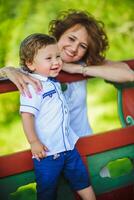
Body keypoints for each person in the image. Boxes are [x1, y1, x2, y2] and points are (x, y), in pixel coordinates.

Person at [0, 10, 134, 137]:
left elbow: (128, 74)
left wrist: (79, 69)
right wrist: (8, 70)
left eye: (83, 46)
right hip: (53, 149)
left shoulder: (82, 63)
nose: (74, 48)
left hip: (86, 141)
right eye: (71, 38)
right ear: (58, 35)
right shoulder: (39, 65)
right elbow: (9, 72)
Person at [19, 33, 96, 200]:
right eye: (49, 58)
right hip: (47, 152)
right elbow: (27, 116)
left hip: (68, 148)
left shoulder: (52, 81)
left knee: (82, 180)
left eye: (58, 56)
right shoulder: (32, 86)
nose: (56, 62)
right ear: (31, 64)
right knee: (47, 190)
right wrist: (34, 142)